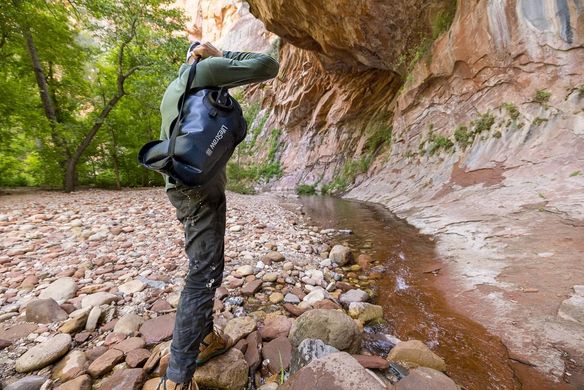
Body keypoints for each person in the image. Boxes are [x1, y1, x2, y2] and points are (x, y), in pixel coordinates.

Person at [157, 41, 279, 390]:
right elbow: (267, 65)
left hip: (182, 188)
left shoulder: (174, 89)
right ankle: (177, 377)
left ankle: (206, 339)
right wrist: (220, 53)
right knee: (203, 275)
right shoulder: (205, 70)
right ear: (197, 55)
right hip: (201, 193)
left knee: (207, 266)